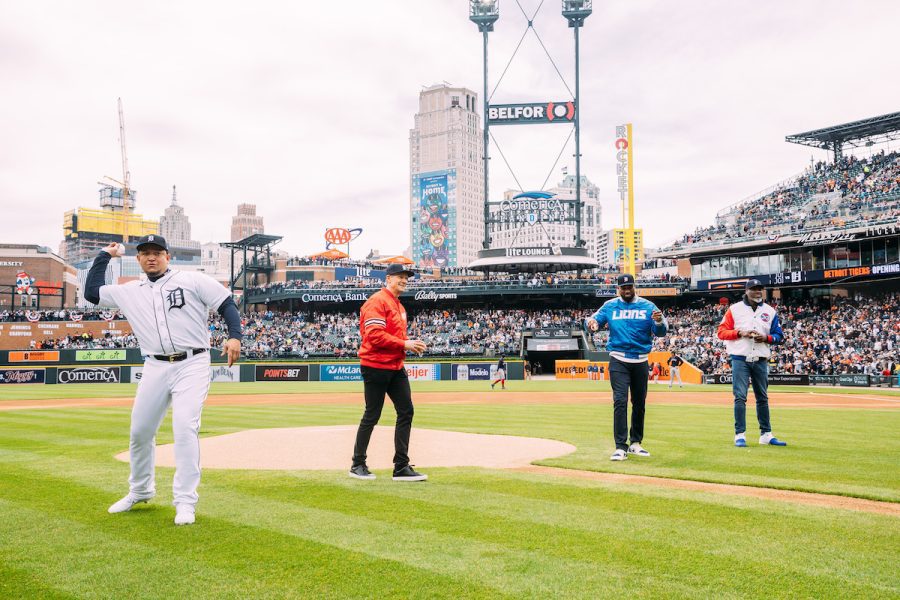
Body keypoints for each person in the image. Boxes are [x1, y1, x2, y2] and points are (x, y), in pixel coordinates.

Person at [85, 236, 242, 526]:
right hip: (155, 365)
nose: (151, 257)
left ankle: (185, 501)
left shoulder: (192, 280)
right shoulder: (130, 290)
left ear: (168, 256)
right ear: (139, 259)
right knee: (140, 432)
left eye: (156, 252)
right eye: (145, 253)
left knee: (184, 428)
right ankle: (140, 490)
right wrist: (103, 256)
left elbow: (226, 304)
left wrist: (234, 335)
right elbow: (92, 293)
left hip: (193, 362)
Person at [350, 263, 428, 482]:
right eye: (399, 277)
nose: (404, 280)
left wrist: (407, 345)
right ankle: (357, 463)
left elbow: (392, 337)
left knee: (406, 411)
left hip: (395, 366)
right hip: (375, 365)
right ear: (388, 279)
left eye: (406, 277)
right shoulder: (377, 301)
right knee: (372, 414)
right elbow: (374, 335)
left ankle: (401, 466)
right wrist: (405, 344)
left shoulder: (399, 306)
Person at [586, 274, 668, 461]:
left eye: (629, 286)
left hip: (640, 360)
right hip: (618, 359)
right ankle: (620, 446)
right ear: (618, 289)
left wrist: (658, 321)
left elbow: (661, 332)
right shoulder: (610, 305)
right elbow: (593, 320)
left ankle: (635, 443)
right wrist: (591, 323)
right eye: (623, 288)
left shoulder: (648, 306)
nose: (627, 290)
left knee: (639, 404)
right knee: (620, 402)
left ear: (634, 286)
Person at [717, 279, 787, 447]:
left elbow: (779, 336)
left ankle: (766, 434)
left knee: (762, 397)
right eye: (754, 289)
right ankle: (740, 435)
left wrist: (767, 338)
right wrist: (740, 333)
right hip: (740, 358)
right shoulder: (734, 309)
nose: (758, 292)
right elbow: (721, 332)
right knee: (740, 397)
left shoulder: (770, 311)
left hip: (761, 358)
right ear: (746, 291)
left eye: (760, 289)